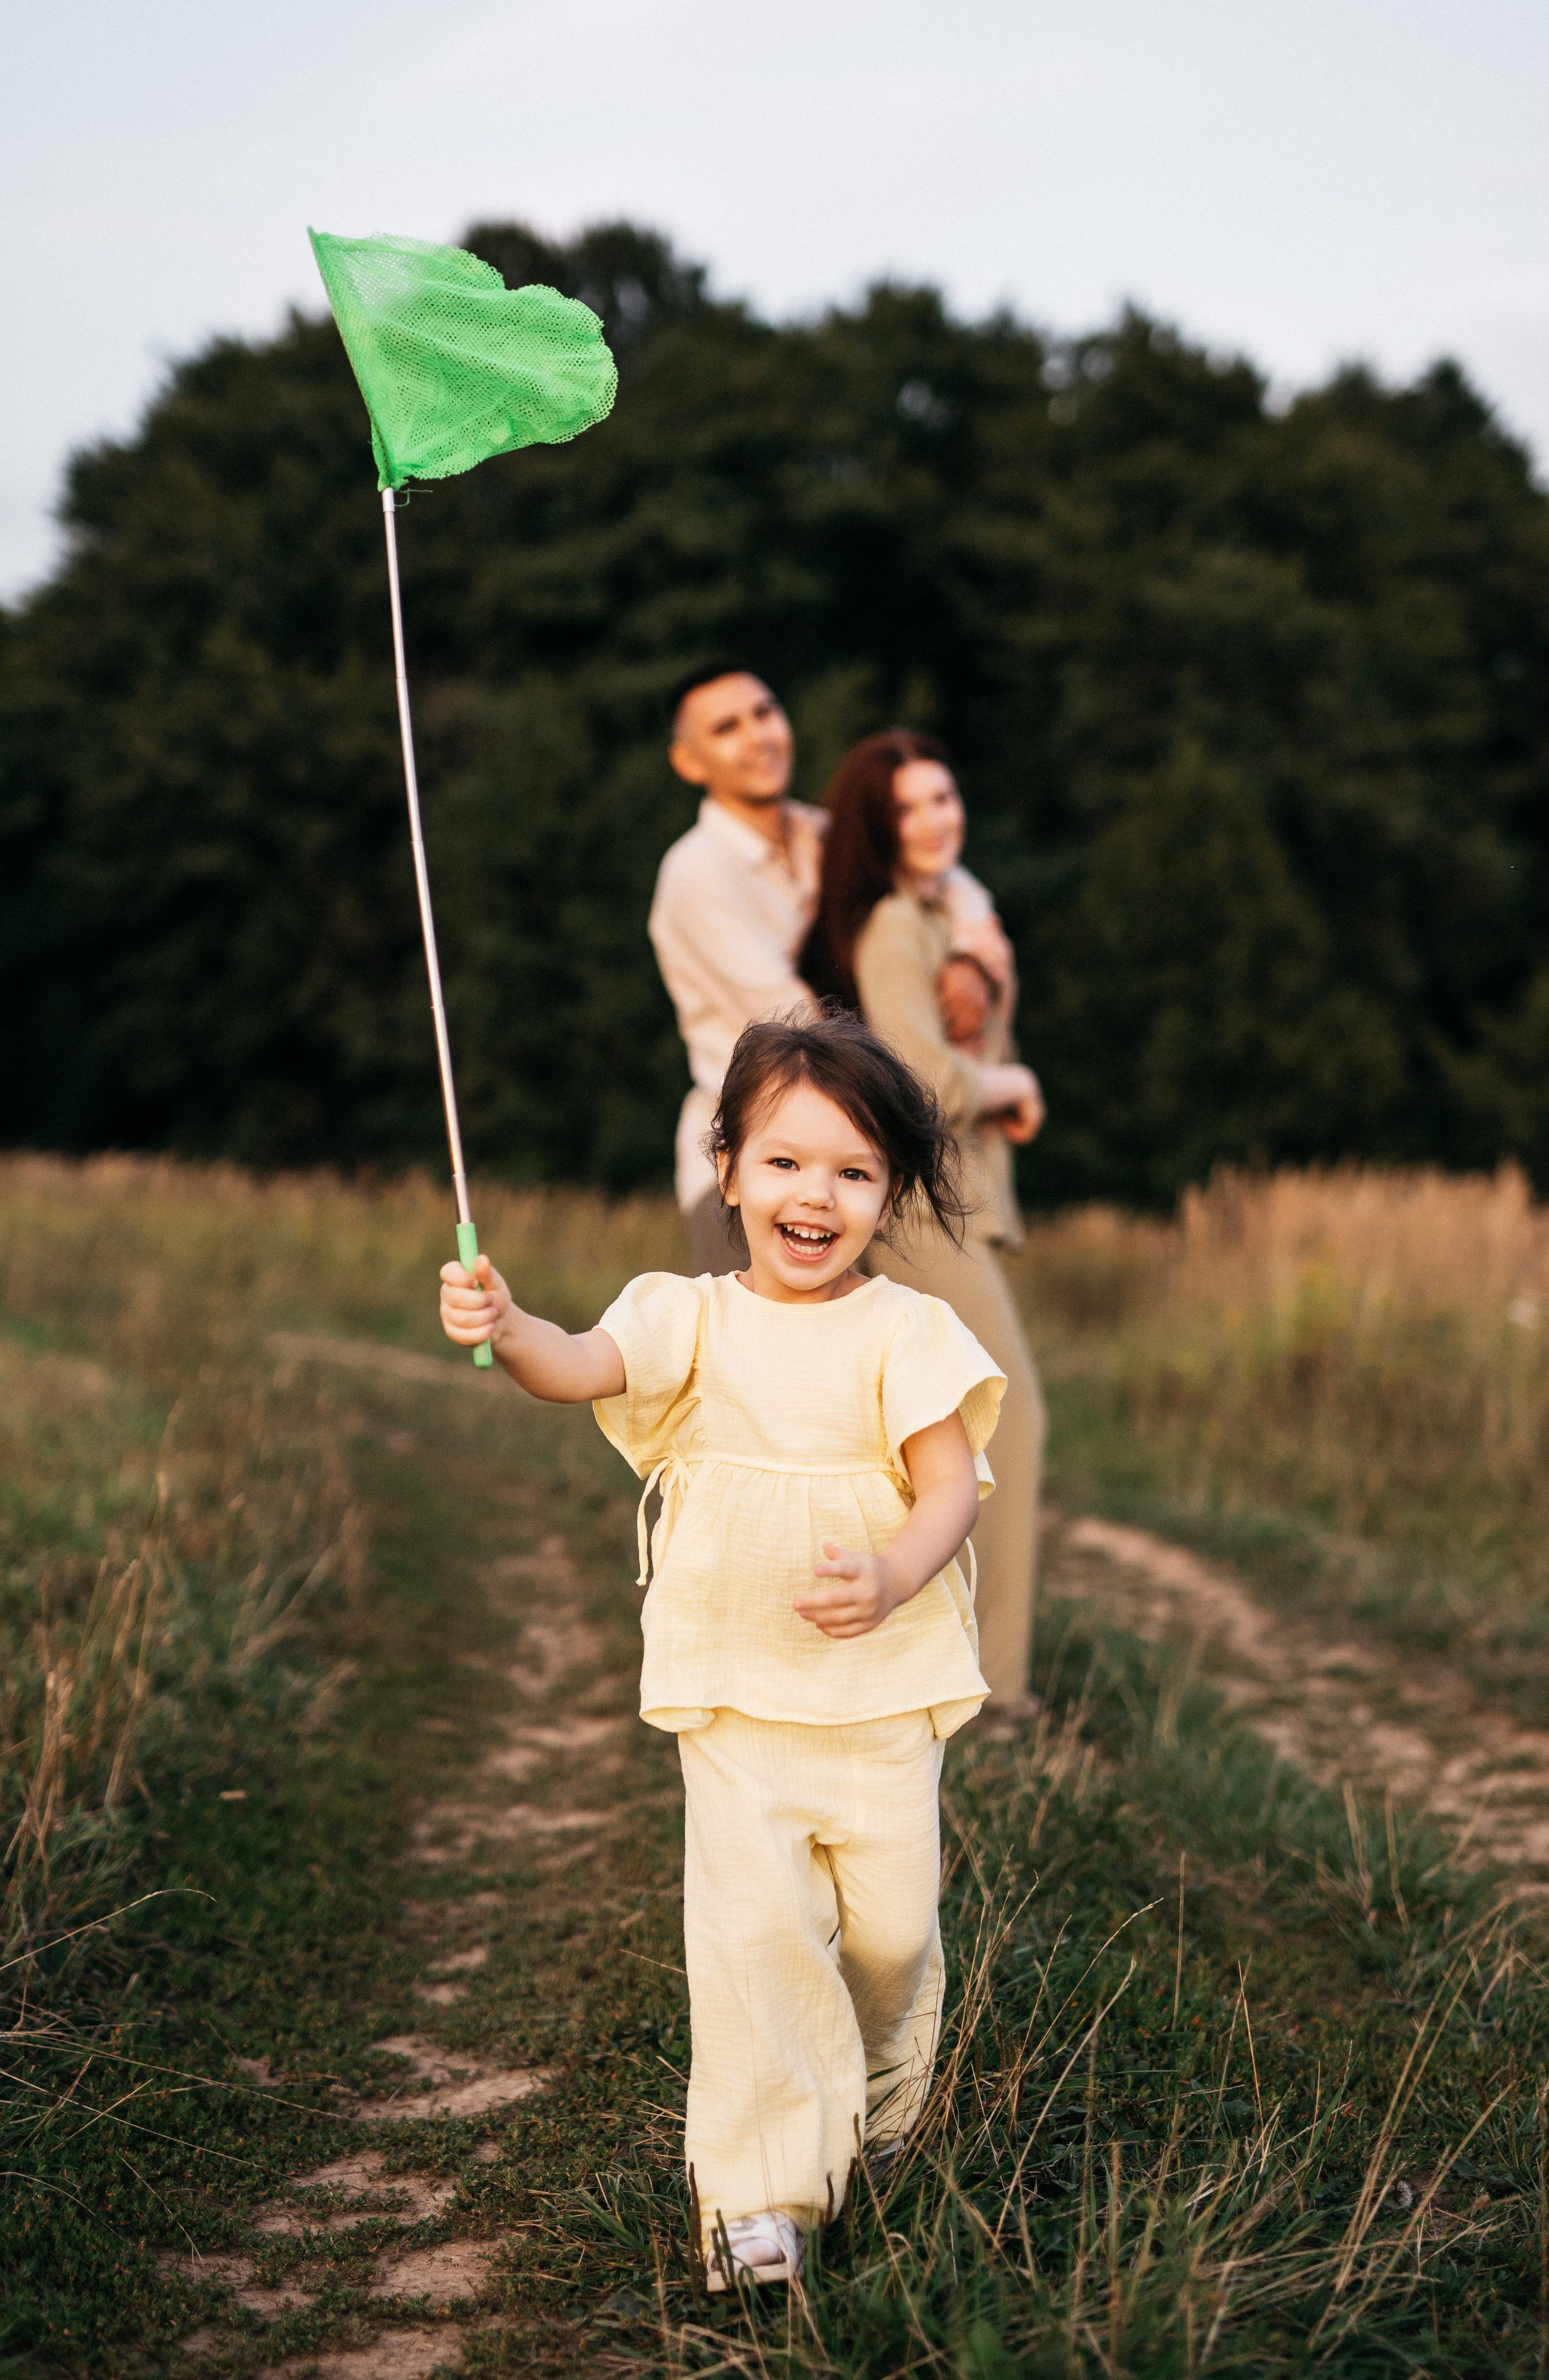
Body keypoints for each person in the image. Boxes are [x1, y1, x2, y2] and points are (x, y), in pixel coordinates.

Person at [438, 1011, 1004, 2291]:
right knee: (754, 1944)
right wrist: (506, 1320)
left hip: (879, 1703)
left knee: (887, 1940)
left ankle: (870, 2107)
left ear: (888, 1197)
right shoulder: (684, 1317)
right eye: (788, 1163)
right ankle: (760, 2198)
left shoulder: (903, 1334)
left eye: (855, 1173)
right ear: (730, 1171)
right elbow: (574, 1366)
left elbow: (950, 1490)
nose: (817, 1195)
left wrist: (896, 1571)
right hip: (737, 1702)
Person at [802, 729, 1046, 1715]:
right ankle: (996, 1691)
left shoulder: (949, 905)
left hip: (964, 1202)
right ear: (879, 827)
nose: (938, 820)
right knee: (1011, 1418)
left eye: (946, 798)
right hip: (928, 1206)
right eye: (912, 808)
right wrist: (1013, 1080)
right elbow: (927, 1081)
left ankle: (938, 1678)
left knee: (942, 1439)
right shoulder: (895, 924)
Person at [648, 664, 823, 1275]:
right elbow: (800, 1024)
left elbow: (941, 887)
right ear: (689, 763)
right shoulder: (697, 871)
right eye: (726, 728)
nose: (758, 736)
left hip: (838, 1161)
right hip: (745, 1173)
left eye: (765, 712)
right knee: (758, 1368)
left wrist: (971, 958)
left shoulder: (822, 836)